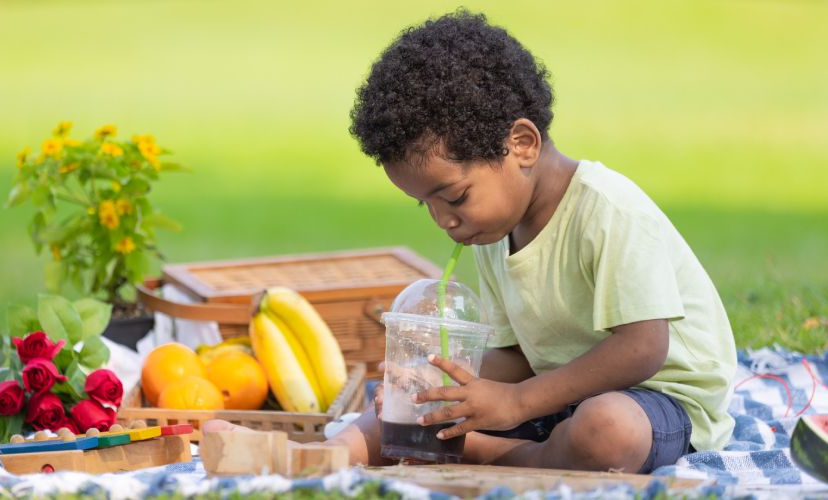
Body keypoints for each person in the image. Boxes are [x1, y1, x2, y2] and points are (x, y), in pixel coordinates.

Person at [206, 9, 736, 474]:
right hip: (553, 394)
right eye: (426, 205)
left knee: (606, 430)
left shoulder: (608, 211)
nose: (444, 221)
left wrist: (516, 402)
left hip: (660, 399)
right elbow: (516, 354)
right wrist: (447, 380)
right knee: (414, 400)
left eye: (454, 197)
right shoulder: (493, 230)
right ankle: (325, 456)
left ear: (522, 144)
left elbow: (643, 347)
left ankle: (489, 454)